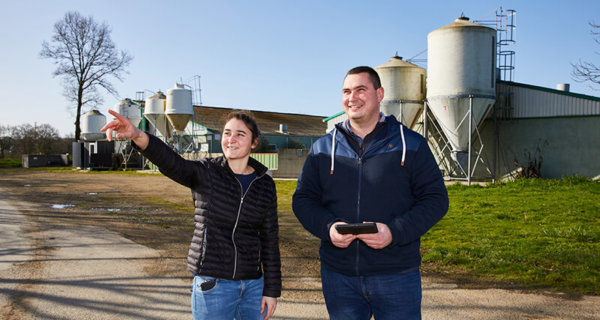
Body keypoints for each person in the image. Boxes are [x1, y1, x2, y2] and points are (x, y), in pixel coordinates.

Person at [292, 66, 449, 320]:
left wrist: (394, 232)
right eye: (346, 91)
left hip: (397, 275)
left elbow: (436, 200)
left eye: (360, 90)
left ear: (380, 94)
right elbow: (303, 200)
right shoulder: (322, 149)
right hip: (339, 277)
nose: (352, 97)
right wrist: (329, 228)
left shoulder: (411, 144)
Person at [102, 109, 281, 320]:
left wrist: (271, 290)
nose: (231, 139)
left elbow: (269, 239)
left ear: (253, 143)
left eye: (240, 134)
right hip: (213, 285)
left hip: (253, 286)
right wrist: (138, 135)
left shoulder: (264, 184)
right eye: (227, 133)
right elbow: (172, 162)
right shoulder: (207, 172)